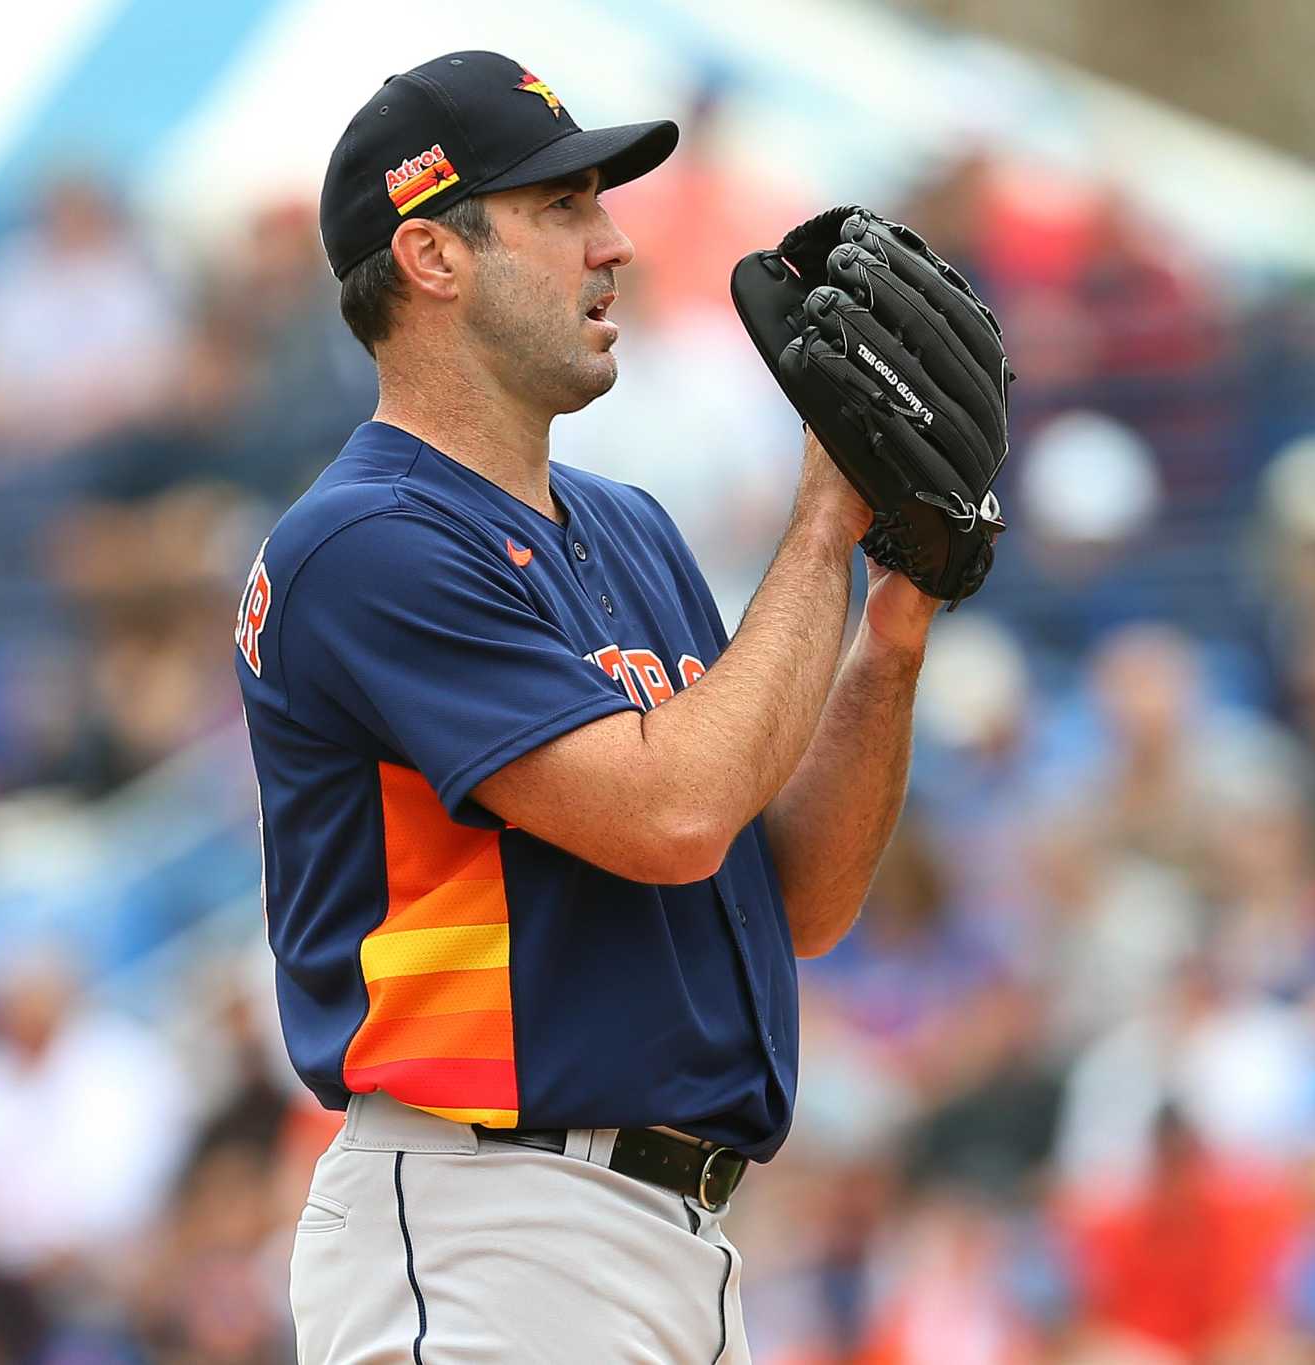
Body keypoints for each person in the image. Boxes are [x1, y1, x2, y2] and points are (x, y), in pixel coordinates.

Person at [232, 51, 938, 1364]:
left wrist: (894, 617)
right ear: (433, 256)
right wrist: (825, 516)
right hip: (487, 1224)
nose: (613, 242)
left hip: (665, 1237)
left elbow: (797, 901)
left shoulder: (629, 529)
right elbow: (671, 812)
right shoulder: (366, 543)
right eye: (562, 207)